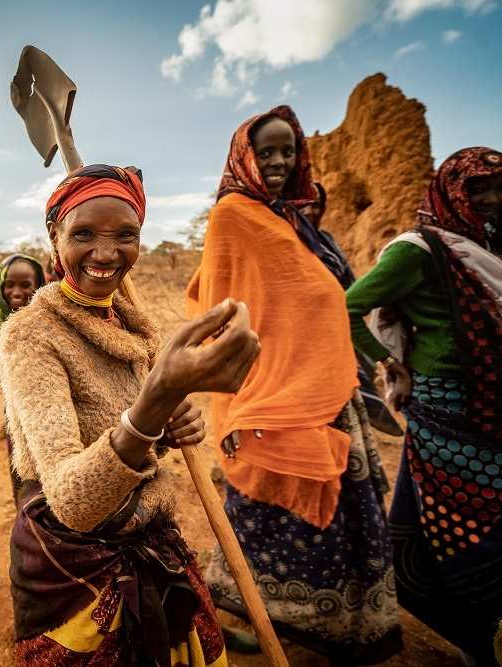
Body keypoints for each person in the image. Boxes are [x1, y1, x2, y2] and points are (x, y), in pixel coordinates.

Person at [0, 163, 262, 665]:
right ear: (55, 237)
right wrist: (154, 402)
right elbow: (74, 501)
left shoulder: (134, 324)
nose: (105, 253)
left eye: (126, 235)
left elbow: (131, 428)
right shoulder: (32, 336)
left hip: (153, 533)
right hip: (77, 568)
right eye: (84, 234)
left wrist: (169, 425)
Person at [187, 105, 401, 663]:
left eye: (289, 150)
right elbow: (220, 312)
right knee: (265, 510)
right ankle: (251, 616)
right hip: (268, 394)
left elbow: (327, 298)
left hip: (327, 391)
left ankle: (333, 623)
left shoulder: (292, 220)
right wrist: (239, 405)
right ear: (244, 157)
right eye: (267, 151)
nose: (279, 161)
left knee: (338, 514)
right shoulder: (234, 217)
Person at [345, 147, 502, 666]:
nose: (491, 199)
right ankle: (473, 635)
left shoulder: (488, 241)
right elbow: (349, 307)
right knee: (464, 528)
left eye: (499, 188)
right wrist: (391, 367)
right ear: (451, 189)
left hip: (494, 404)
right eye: (478, 188)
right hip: (449, 409)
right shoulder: (417, 250)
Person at [299, 183, 403, 437]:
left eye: (317, 205)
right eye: (306, 205)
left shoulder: (327, 241)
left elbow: (349, 282)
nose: (312, 211)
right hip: (304, 330)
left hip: (336, 320)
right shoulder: (288, 240)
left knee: (355, 370)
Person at [0, 253, 45, 503]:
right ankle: (27, 519)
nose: (16, 292)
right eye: (9, 285)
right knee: (22, 468)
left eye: (25, 285)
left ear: (39, 285)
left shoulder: (50, 316)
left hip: (52, 407)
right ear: (0, 286)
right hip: (16, 411)